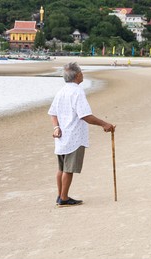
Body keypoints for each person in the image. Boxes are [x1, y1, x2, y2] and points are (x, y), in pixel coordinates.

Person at [48, 62, 115, 207]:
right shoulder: (77, 91)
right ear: (77, 75)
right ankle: (64, 198)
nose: (83, 75)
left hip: (62, 137)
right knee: (68, 169)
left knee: (61, 168)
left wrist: (56, 128)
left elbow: (53, 113)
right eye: (82, 73)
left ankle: (60, 196)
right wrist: (105, 124)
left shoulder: (62, 91)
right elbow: (85, 115)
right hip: (73, 136)